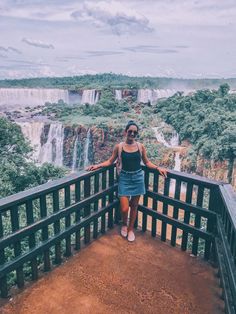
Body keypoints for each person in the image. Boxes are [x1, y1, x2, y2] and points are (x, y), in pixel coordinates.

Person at [86, 120, 168, 242]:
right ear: (125, 132)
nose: (132, 134)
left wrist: (157, 168)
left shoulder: (140, 147)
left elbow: (146, 162)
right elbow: (110, 161)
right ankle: (124, 223)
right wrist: (97, 165)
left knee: (134, 206)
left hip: (138, 178)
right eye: (130, 131)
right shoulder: (119, 147)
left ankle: (130, 229)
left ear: (137, 133)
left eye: (135, 132)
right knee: (124, 208)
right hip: (124, 178)